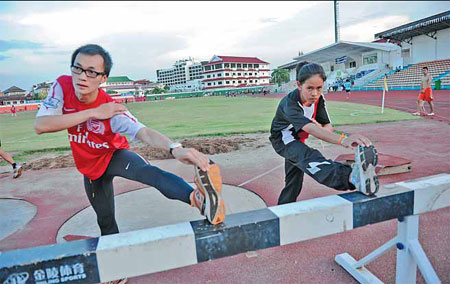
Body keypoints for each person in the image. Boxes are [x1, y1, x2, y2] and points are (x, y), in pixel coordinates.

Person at [34, 44, 225, 240]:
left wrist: (175, 148)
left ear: (103, 78)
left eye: (92, 72)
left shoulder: (113, 111)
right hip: (89, 168)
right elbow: (41, 125)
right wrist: (92, 112)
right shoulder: (62, 86)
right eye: (78, 68)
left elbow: (144, 132)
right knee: (105, 221)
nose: (82, 76)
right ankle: (116, 265)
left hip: (113, 156)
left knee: (147, 173)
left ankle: (199, 200)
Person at [269, 62, 379, 205]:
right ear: (298, 85)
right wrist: (343, 140)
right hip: (283, 140)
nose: (314, 93)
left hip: (297, 139)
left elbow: (327, 126)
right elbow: (311, 128)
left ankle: (282, 210)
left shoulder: (318, 99)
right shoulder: (290, 103)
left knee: (294, 181)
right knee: (310, 158)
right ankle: (351, 177)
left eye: (319, 88)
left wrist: (324, 133)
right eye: (309, 88)